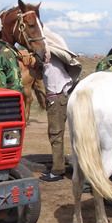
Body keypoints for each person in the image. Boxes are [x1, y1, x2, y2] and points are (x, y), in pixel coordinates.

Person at [39, 26, 81, 182]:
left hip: (57, 96)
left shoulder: (47, 55)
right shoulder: (53, 55)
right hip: (64, 92)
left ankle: (57, 169)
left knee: (55, 133)